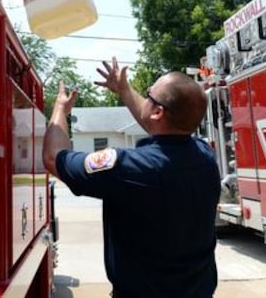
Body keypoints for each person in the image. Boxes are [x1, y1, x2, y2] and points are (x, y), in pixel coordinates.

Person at [43, 57, 220, 298]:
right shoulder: (205, 156)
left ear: (158, 111)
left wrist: (60, 109)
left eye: (149, 95)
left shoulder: (127, 168)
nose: (145, 98)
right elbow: (166, 130)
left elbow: (54, 158)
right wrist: (125, 91)